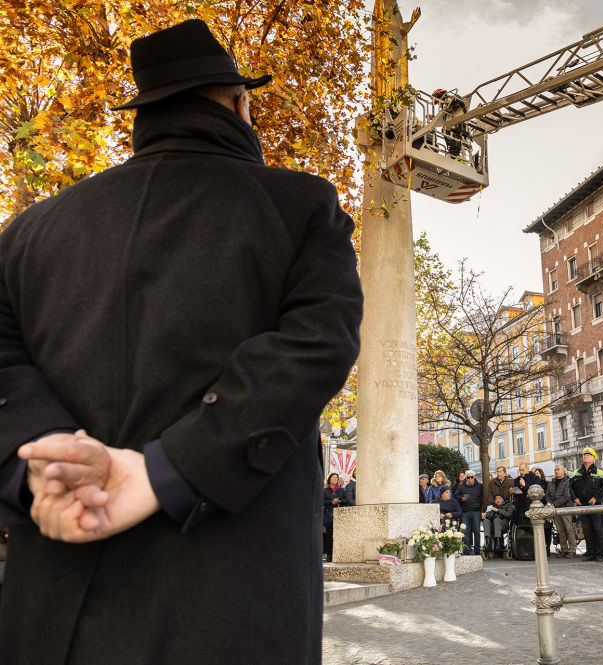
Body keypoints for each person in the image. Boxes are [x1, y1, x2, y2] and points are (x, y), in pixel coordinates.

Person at [0, 19, 362, 664]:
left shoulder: (26, 233)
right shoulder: (300, 205)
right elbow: (316, 344)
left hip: (55, 606)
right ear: (239, 102)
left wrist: (46, 478)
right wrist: (170, 472)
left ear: (143, 115)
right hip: (231, 599)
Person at [569, 448, 603, 562]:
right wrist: (575, 498)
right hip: (582, 506)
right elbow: (570, 487)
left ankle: (601, 553)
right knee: (587, 530)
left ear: (593, 458)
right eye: (584, 455)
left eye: (588, 455)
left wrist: (596, 497)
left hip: (595, 506)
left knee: (598, 529)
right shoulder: (576, 472)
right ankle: (590, 552)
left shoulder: (600, 472)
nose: (585, 457)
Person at [547, 464, 576, 558]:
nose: (556, 471)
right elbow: (547, 494)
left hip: (565, 509)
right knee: (560, 531)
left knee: (569, 529)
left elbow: (568, 496)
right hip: (555, 509)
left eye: (558, 469)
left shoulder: (568, 481)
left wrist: (554, 504)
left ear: (563, 471)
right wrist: (550, 503)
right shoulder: (551, 482)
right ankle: (564, 549)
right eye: (555, 470)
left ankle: (572, 550)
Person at [454, 470, 483, 555]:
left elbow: (484, 497)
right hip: (465, 512)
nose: (470, 479)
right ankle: (467, 550)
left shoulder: (480, 486)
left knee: (477, 531)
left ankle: (477, 550)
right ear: (466, 478)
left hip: (476, 511)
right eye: (468, 477)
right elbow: (455, 496)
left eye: (472, 477)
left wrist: (483, 510)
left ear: (474, 477)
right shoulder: (461, 486)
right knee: (465, 531)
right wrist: (461, 498)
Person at [322, 473, 344, 562]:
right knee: (329, 535)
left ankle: (338, 554)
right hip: (328, 514)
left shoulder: (341, 490)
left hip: (339, 514)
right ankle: (329, 554)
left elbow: (346, 499)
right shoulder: (325, 490)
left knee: (339, 535)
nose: (335, 479)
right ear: (329, 479)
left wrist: (339, 501)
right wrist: (331, 502)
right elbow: (322, 501)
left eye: (336, 478)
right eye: (333, 477)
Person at [533, 468, 555, 556]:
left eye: (538, 473)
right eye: (535, 474)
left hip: (545, 508)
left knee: (547, 529)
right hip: (536, 509)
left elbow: (548, 495)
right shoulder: (533, 485)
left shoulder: (546, 484)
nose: (536, 475)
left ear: (541, 474)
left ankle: (547, 547)